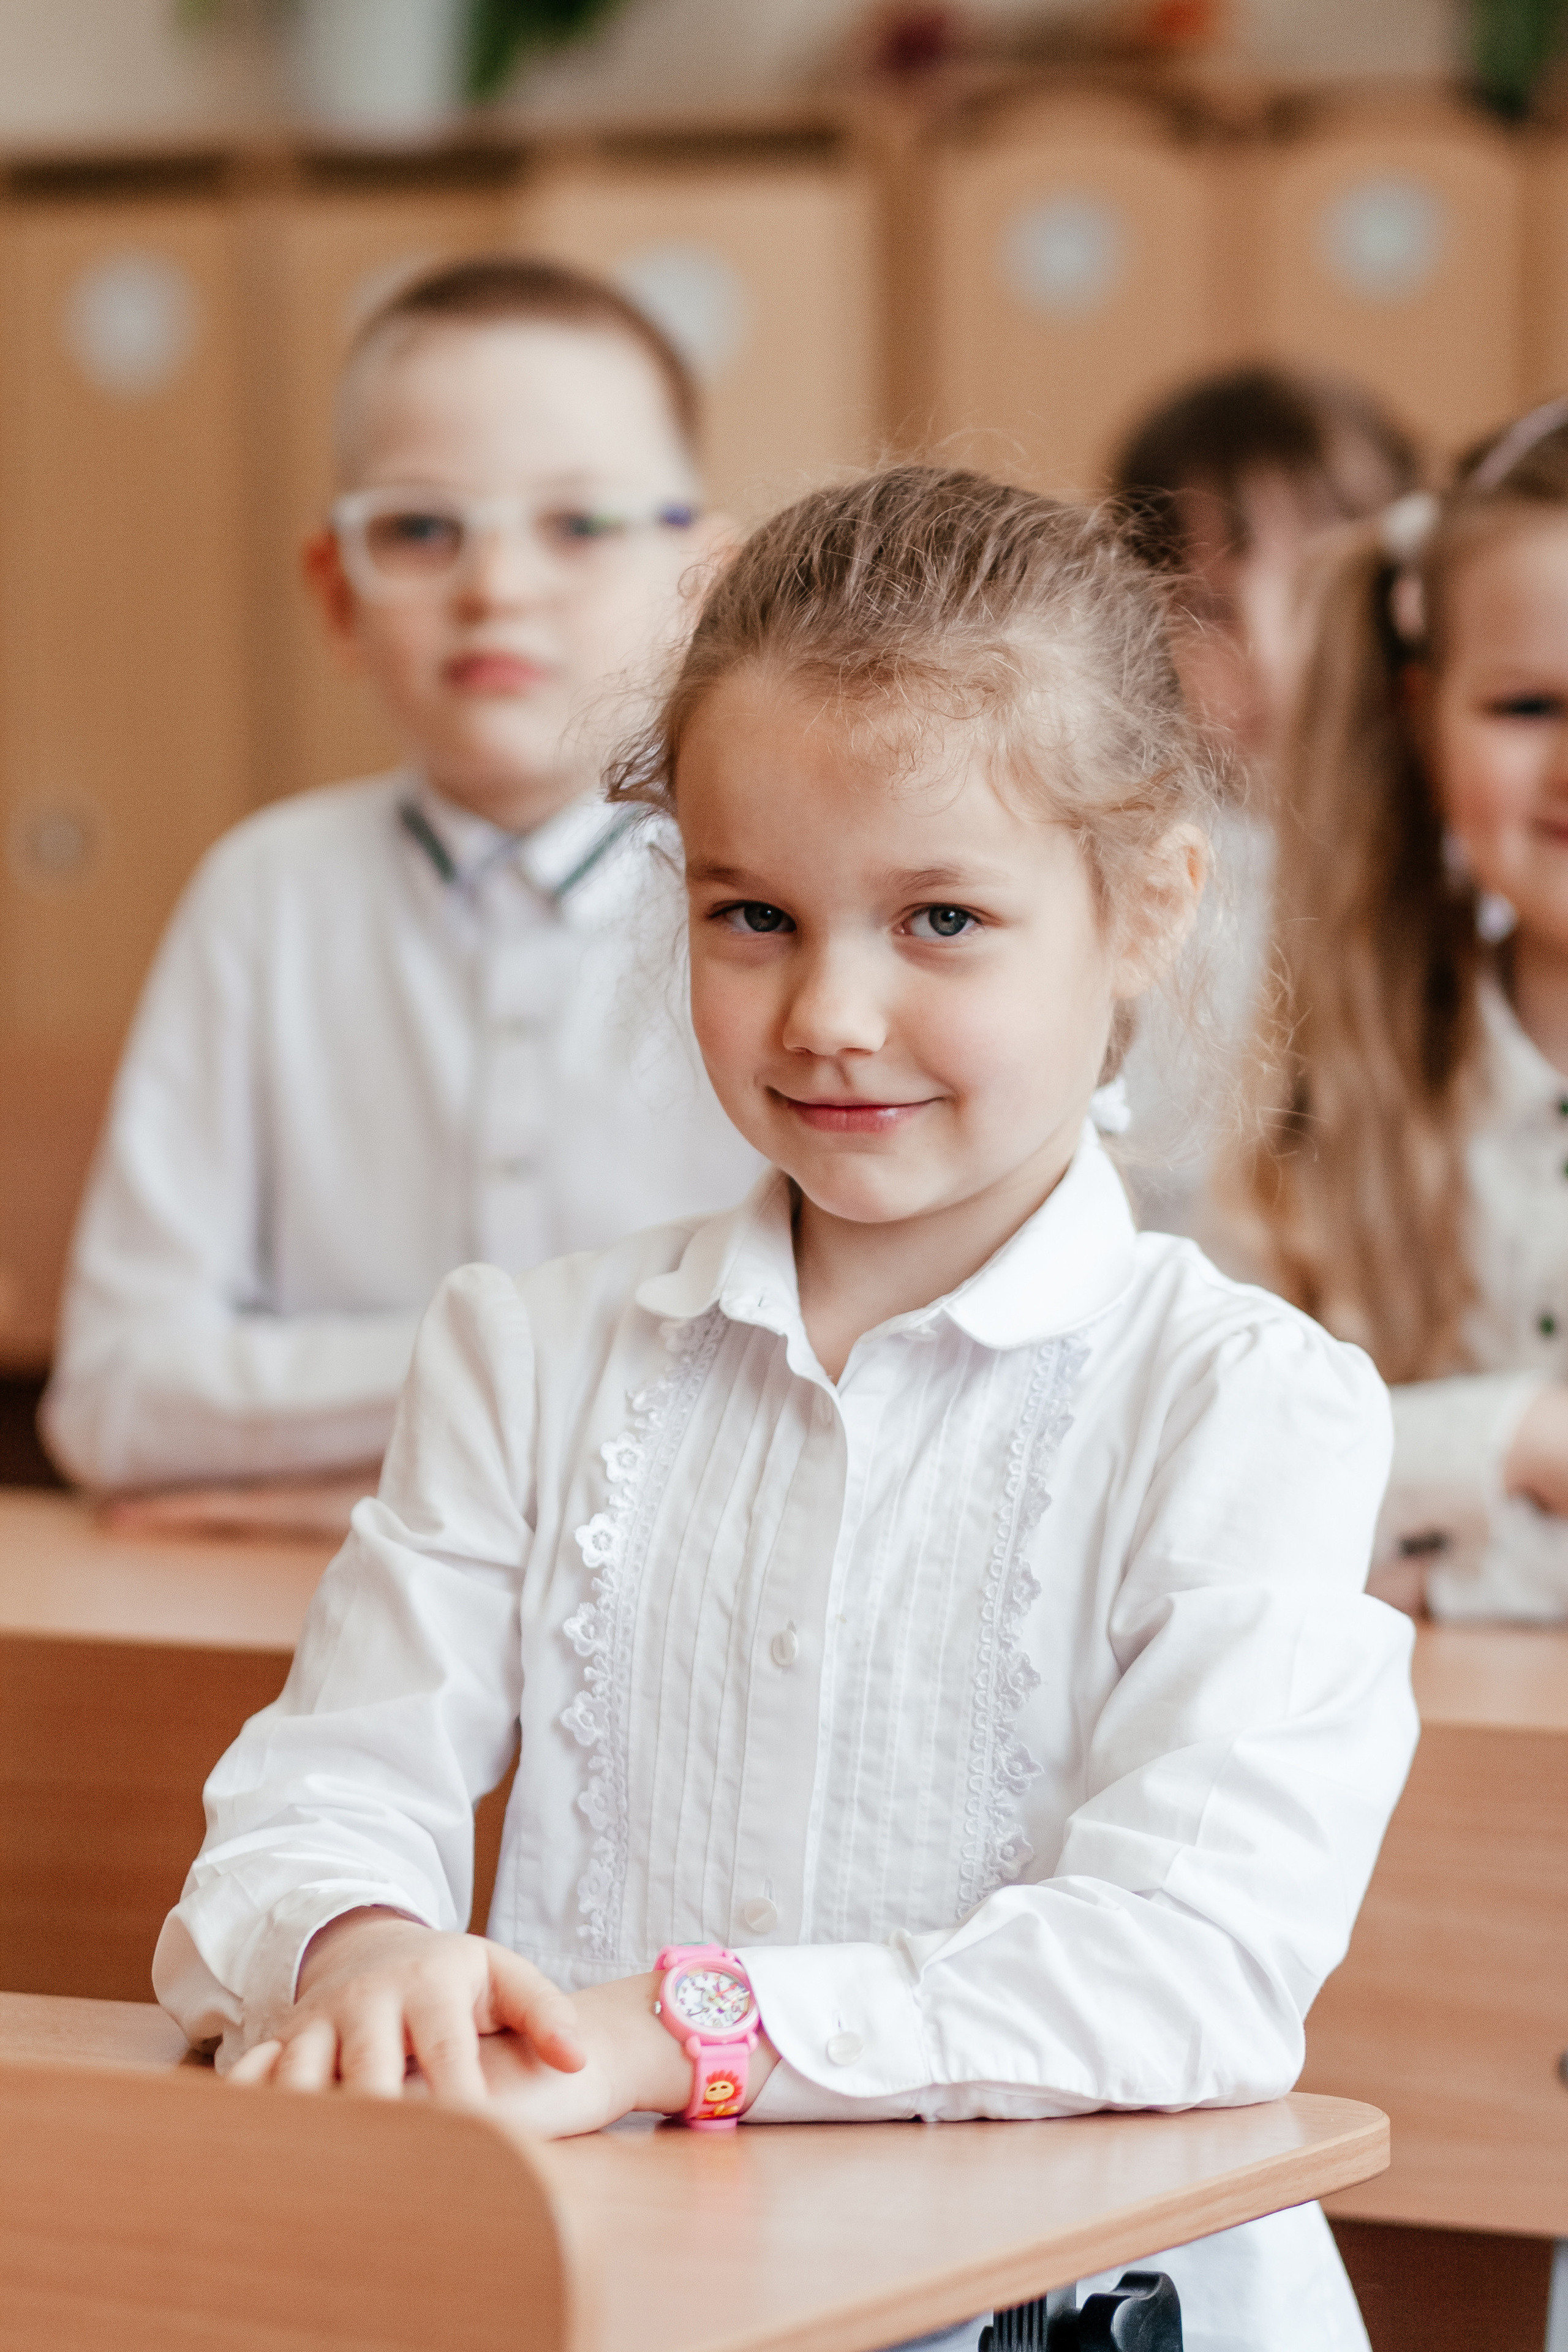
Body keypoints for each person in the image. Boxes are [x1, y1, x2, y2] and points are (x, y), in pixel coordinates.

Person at [154, 467, 1416, 2352]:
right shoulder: (530, 1350)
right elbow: (317, 1798)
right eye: (755, 914)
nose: (829, 1010)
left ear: (1147, 907)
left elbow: (1189, 1971)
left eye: (940, 923)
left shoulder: (1249, 1411)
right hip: (631, 2295)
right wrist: (367, 1946)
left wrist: (680, 2034)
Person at [40, 255, 760, 1530]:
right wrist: (555, 1388)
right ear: (336, 589)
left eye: (577, 524)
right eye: (421, 529)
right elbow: (112, 1397)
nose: (495, 588)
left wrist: (323, 1473)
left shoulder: (768, 912)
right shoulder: (265, 900)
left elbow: (815, 1387)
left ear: (701, 586)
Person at [1208, 396, 1568, 1621]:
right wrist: (1520, 1438)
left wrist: (1434, 1543)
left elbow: (1335, 1533)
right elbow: (1222, 1488)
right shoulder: (1333, 1088)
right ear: (1422, 721)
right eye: (1526, 709)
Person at [1109, 368, 1423, 1231]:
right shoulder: (1138, 874)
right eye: (1210, 609)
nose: (1272, 655)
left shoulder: (1464, 854)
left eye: (1318, 593)